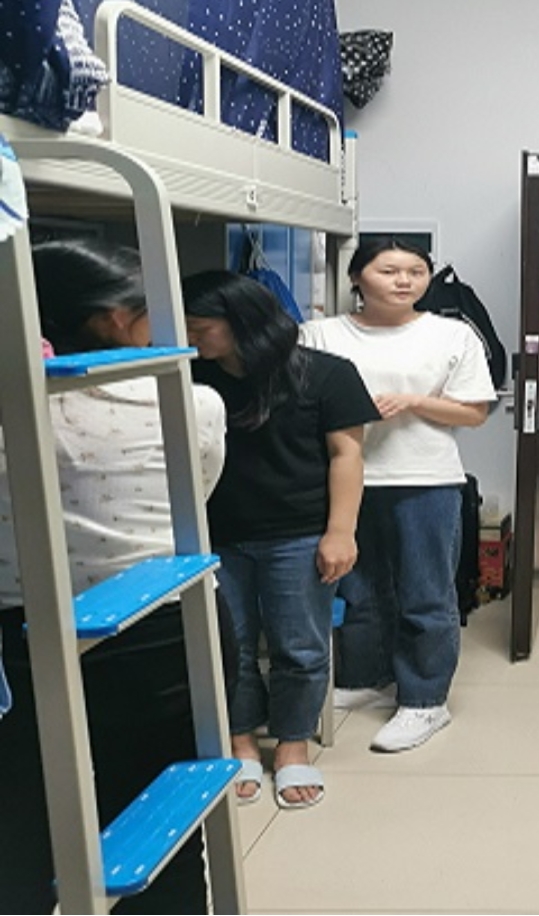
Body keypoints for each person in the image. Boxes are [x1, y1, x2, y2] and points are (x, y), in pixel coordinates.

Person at [0, 239, 228, 911]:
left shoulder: (11, 407)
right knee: (156, 821)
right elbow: (196, 495)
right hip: (167, 627)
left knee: (21, 823)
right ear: (112, 318)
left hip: (21, 639)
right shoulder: (189, 403)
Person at [183, 270, 380, 808]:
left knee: (300, 645)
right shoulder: (191, 377)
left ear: (242, 322)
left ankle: (293, 746)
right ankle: (241, 742)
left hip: (299, 532)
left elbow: (347, 455)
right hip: (217, 533)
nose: (191, 337)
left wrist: (341, 531)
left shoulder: (326, 374)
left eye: (200, 326)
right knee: (231, 646)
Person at [300, 238, 495, 753]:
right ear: (357, 277)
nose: (405, 280)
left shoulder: (450, 334)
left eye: (416, 271)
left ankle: (426, 700)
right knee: (358, 590)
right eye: (389, 270)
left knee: (426, 592)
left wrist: (413, 402)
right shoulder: (319, 334)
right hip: (345, 479)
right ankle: (369, 677)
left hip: (425, 478)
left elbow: (475, 411)